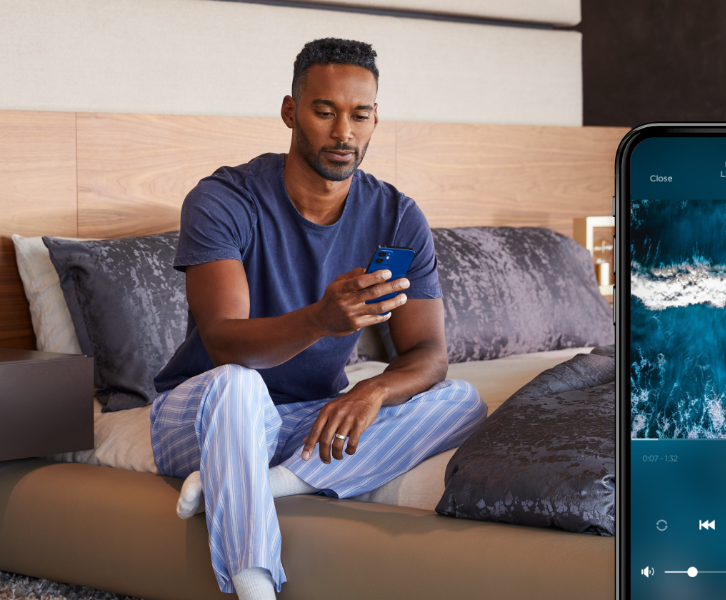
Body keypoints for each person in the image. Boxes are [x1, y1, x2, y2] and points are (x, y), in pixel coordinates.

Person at [150, 38, 487, 600]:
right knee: (239, 386)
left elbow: (428, 353)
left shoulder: (397, 216)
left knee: (462, 400)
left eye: (359, 114)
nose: (344, 133)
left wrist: (374, 392)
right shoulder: (223, 199)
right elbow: (225, 343)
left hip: (307, 420)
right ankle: (255, 588)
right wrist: (320, 321)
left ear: (376, 117)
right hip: (203, 412)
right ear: (290, 111)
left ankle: (264, 482)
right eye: (325, 111)